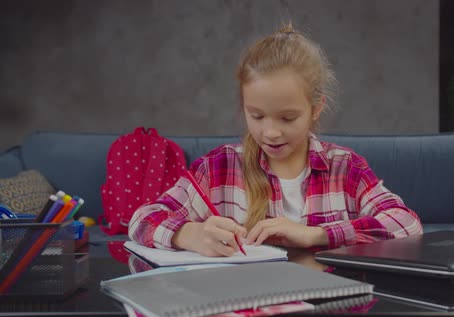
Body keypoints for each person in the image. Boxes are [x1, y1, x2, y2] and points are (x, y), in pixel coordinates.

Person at [128, 23, 422, 257]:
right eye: (256, 116)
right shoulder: (218, 167)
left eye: (287, 118)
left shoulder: (345, 168)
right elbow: (143, 219)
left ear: (316, 108)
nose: (270, 132)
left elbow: (406, 223)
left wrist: (316, 235)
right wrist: (188, 234)